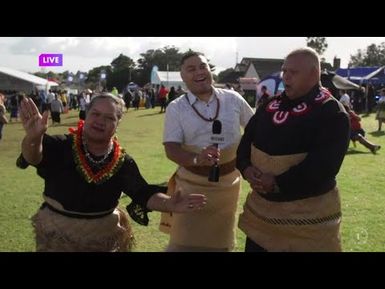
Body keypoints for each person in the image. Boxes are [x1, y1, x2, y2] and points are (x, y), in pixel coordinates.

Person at [17, 93, 206, 252]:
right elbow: (34, 156)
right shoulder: (61, 145)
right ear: (86, 115)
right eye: (96, 114)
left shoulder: (122, 161)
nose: (100, 121)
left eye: (109, 118)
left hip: (104, 237)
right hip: (58, 235)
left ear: (118, 123)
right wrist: (33, 138)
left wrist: (169, 203)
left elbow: (142, 192)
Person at [236, 47, 350, 252]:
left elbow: (324, 165)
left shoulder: (331, 112)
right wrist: (246, 168)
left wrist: (278, 182)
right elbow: (246, 143)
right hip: (262, 222)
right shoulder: (270, 105)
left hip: (307, 224)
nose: (286, 77)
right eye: (284, 71)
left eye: (293, 72)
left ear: (314, 74)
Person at [160, 51, 254, 251]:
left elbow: (256, 131)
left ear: (210, 70)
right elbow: (171, 149)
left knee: (222, 243)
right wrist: (196, 159)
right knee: (183, 243)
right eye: (191, 69)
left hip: (228, 187)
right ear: (183, 75)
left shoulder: (233, 99)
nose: (199, 72)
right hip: (190, 185)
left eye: (202, 66)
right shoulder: (176, 108)